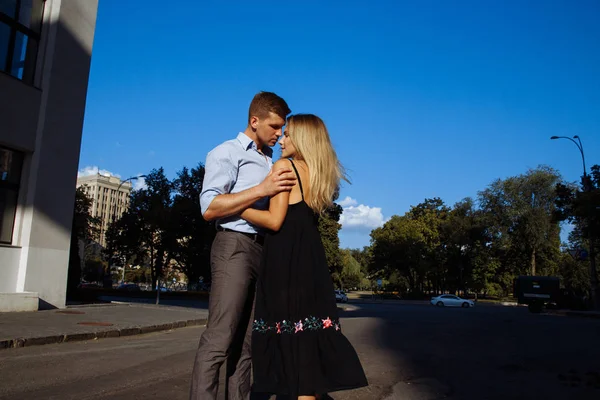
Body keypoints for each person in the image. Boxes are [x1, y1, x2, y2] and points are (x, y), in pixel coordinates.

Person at [240, 114, 368, 399]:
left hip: (286, 263)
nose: (282, 139)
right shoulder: (319, 174)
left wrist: (236, 208)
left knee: (286, 342)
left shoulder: (284, 166)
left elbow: (274, 220)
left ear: (302, 139)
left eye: (287, 134)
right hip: (311, 264)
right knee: (305, 347)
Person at [190, 91, 296, 400]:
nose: (280, 133)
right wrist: (262, 189)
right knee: (220, 338)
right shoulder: (227, 152)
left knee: (247, 343)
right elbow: (209, 207)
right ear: (255, 121)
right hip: (233, 246)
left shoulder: (267, 158)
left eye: (282, 128)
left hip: (262, 251)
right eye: (275, 126)